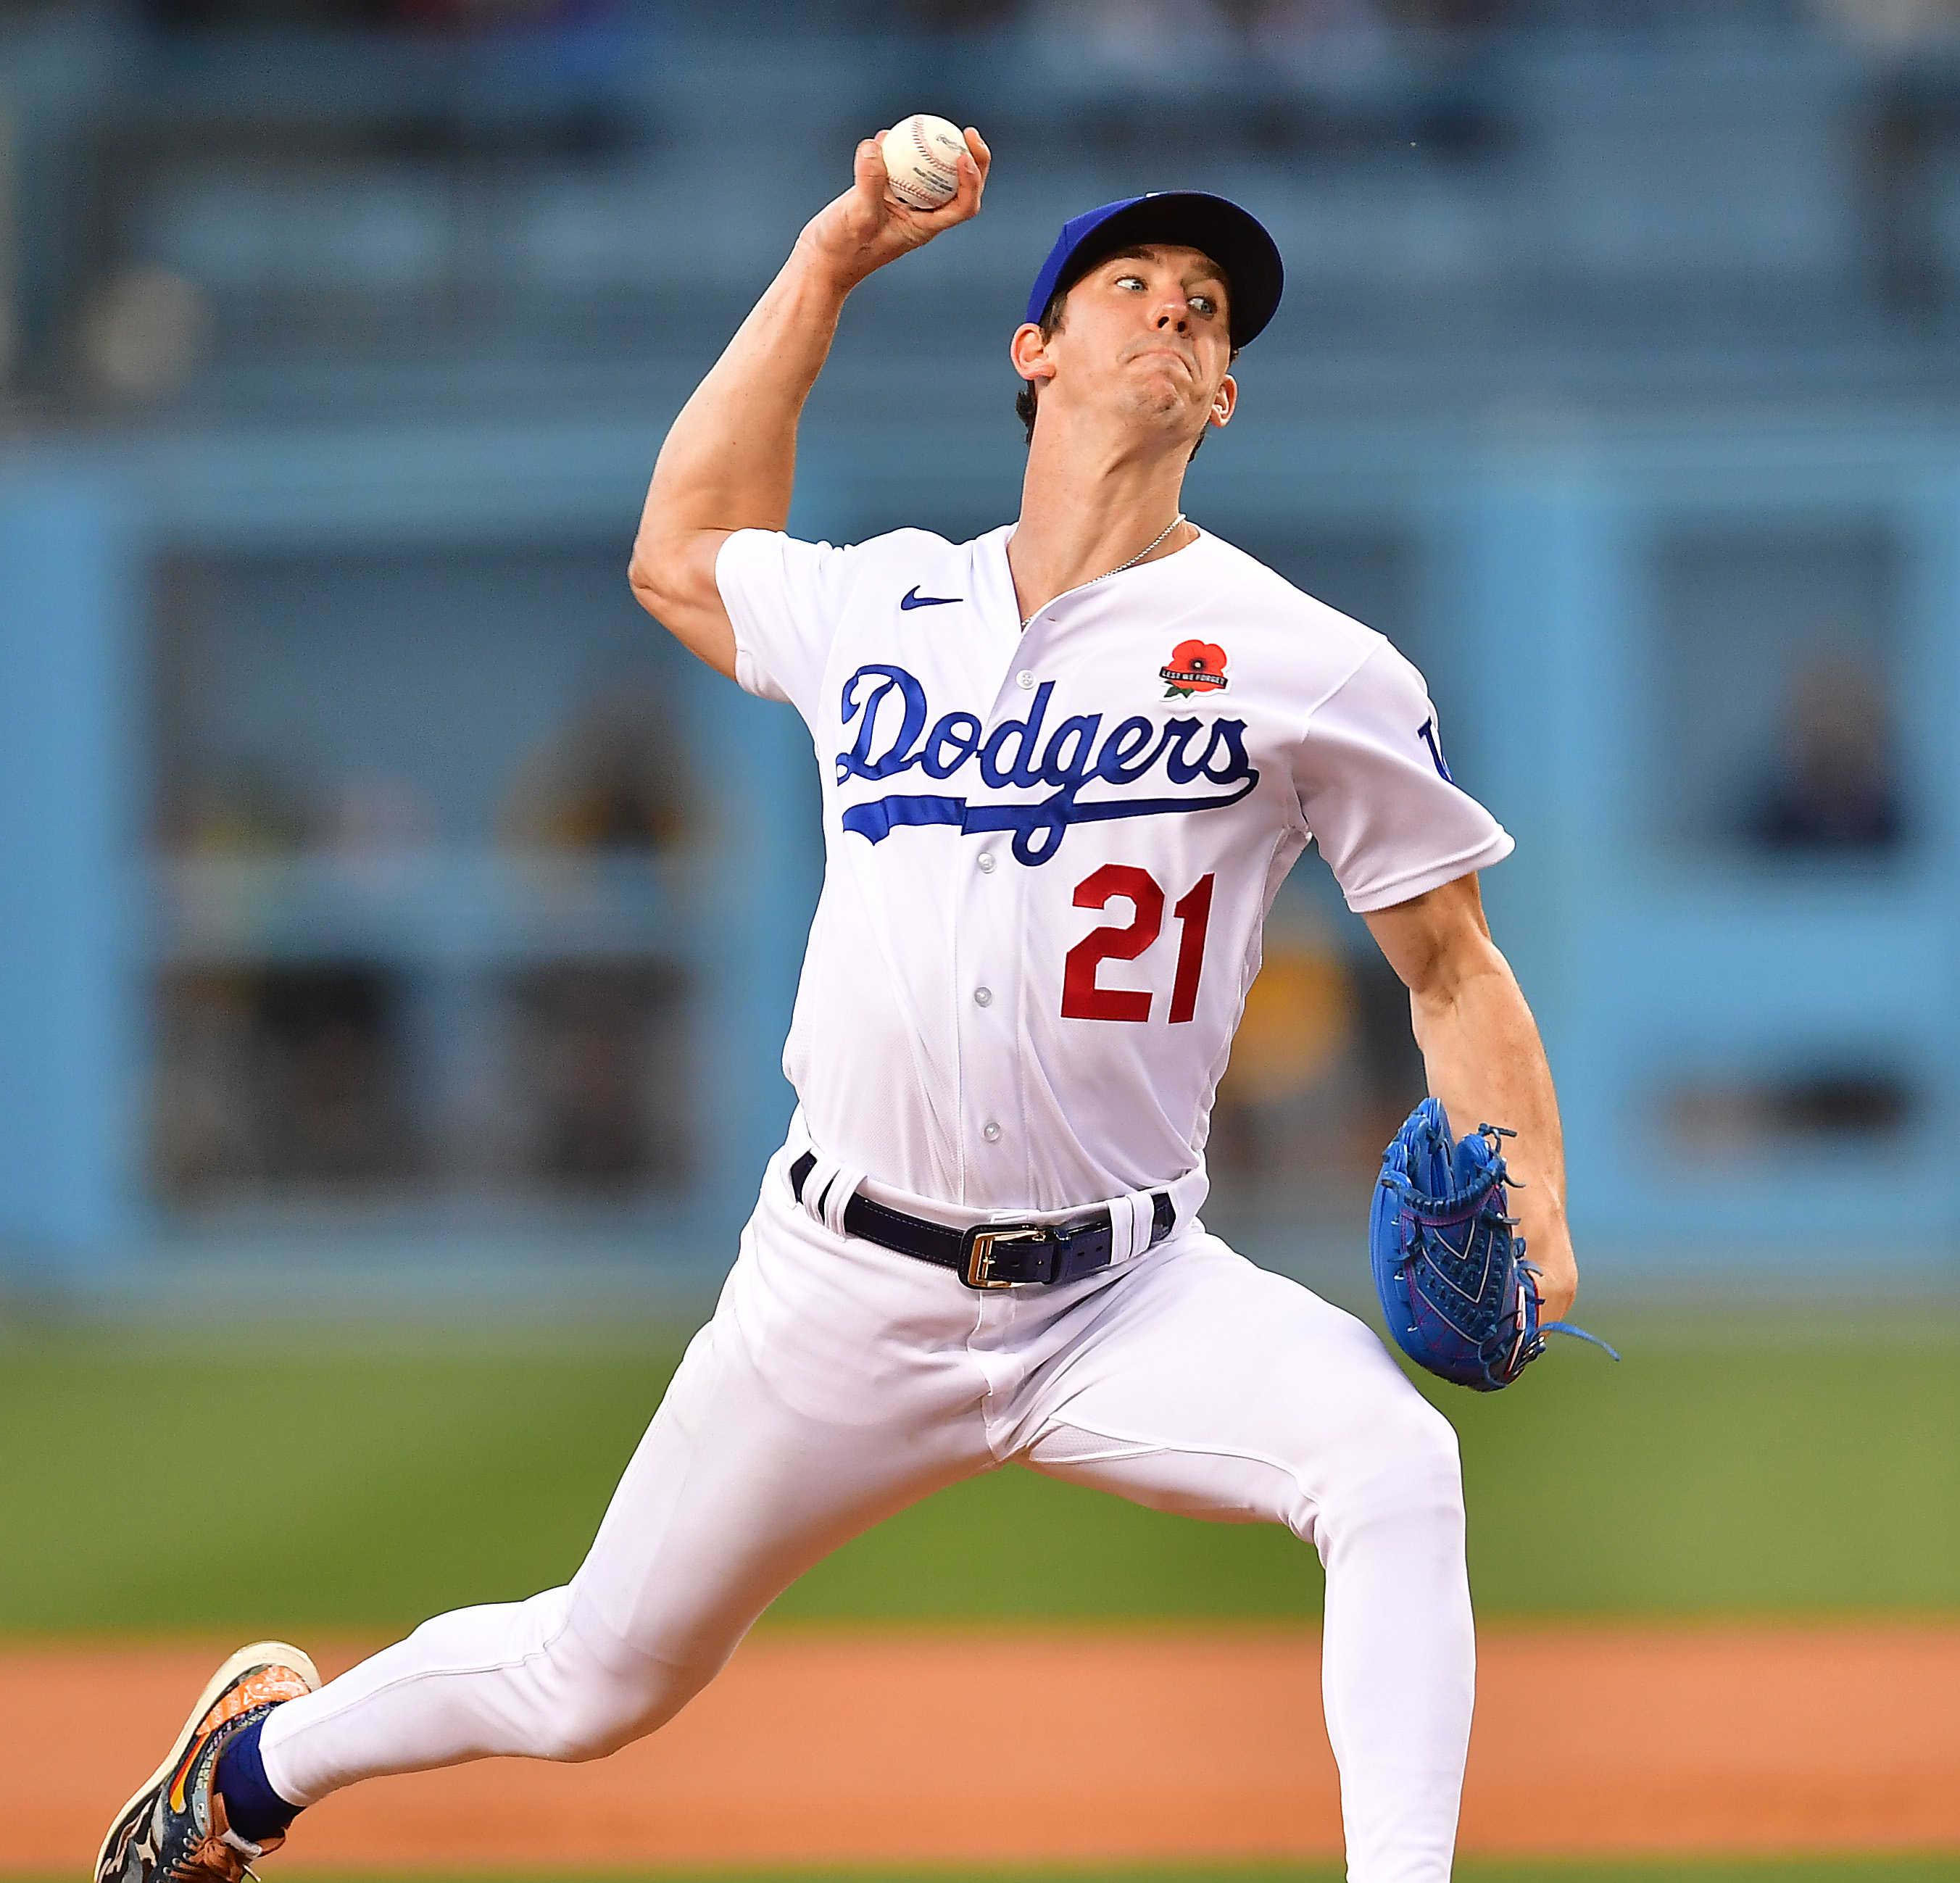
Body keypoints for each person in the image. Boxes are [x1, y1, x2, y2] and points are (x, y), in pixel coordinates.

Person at [98, 130, 1579, 1883]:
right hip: (840, 1286)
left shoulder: (1311, 662)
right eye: (1136, 290)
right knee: (596, 1677)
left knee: (1392, 1467)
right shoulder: (882, 600)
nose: (1177, 321)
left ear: (1228, 393)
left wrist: (1536, 1200)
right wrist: (837, 251)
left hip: (1126, 1291)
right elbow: (680, 547)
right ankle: (251, 1776)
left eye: (1208, 314)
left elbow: (1452, 964)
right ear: (1034, 352)